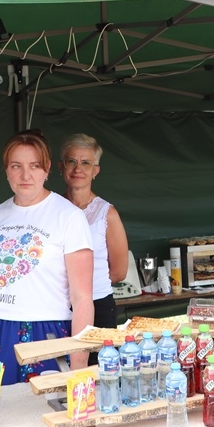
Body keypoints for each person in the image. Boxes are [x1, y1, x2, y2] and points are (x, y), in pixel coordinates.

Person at [0, 130, 94, 385]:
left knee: (39, 406)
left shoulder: (69, 217)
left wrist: (78, 363)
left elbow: (82, 299)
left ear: (47, 168)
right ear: (6, 170)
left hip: (43, 333)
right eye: (16, 166)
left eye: (34, 166)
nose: (25, 175)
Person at [58, 133, 129, 332]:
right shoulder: (52, 209)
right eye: (71, 161)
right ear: (61, 167)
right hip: (57, 305)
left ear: (95, 170)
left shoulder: (107, 214)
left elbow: (119, 272)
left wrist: (85, 287)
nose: (78, 169)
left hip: (98, 305)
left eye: (86, 163)